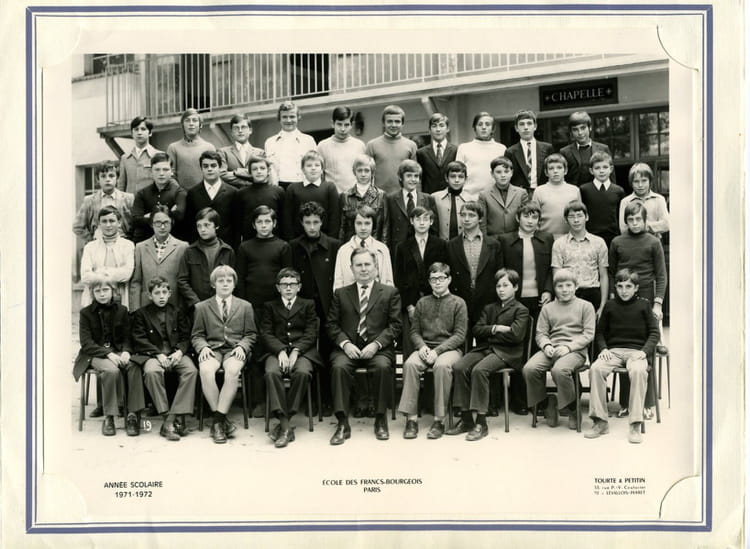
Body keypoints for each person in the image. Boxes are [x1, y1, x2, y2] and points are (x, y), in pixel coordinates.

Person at [326, 247, 402, 445]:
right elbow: (331, 325)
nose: (364, 269)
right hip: (348, 348)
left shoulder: (389, 293)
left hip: (378, 349)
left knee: (382, 367)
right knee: (339, 368)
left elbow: (395, 325)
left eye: (368, 264)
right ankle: (342, 422)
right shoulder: (341, 293)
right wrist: (345, 344)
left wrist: (376, 344)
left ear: (376, 267)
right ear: (351, 268)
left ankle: (380, 419)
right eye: (358, 265)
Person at [447, 269, 530, 439]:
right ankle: (466, 418)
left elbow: (516, 335)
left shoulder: (521, 310)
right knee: (460, 366)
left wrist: (489, 332)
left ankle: (481, 422)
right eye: (498, 286)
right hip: (485, 348)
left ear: (515, 287)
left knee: (480, 370)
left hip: (507, 353)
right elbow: (477, 330)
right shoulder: (489, 308)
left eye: (505, 285)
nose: (501, 289)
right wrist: (496, 328)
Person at [584, 269, 659, 444]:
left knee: (638, 371)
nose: (624, 291)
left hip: (636, 352)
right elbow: (600, 332)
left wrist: (644, 351)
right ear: (616, 287)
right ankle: (600, 421)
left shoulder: (644, 305)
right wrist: (603, 349)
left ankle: (635, 424)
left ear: (636, 288)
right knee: (596, 369)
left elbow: (654, 333)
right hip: (614, 351)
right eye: (620, 286)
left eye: (628, 286)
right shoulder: (610, 306)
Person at [608, 201, 667, 419]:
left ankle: (647, 403)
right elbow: (612, 273)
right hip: (623, 297)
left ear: (644, 220)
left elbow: (661, 275)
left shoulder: (653, 242)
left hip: (646, 297)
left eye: (638, 219)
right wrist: (614, 298)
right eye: (630, 219)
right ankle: (626, 403)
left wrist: (658, 302)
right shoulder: (617, 242)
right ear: (626, 221)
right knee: (626, 345)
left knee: (644, 350)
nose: (634, 223)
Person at [398, 262, 467, 440]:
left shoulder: (459, 303)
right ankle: (411, 420)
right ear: (429, 282)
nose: (437, 282)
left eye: (442, 278)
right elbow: (414, 331)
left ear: (449, 279)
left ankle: (439, 420)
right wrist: (422, 347)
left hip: (449, 349)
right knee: (410, 364)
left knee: (442, 366)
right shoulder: (422, 303)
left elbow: (460, 335)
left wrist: (437, 351)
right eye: (433, 279)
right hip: (426, 347)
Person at [522, 269, 595, 430]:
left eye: (568, 285)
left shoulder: (586, 306)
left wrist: (568, 347)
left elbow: (588, 334)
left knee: (559, 370)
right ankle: (546, 404)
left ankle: (572, 409)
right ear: (554, 288)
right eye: (560, 286)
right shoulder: (548, 308)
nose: (564, 289)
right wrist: (546, 345)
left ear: (576, 286)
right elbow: (541, 333)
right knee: (529, 369)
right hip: (552, 348)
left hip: (575, 351)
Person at [191, 265, 257, 444]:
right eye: (221, 281)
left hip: (234, 350)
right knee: (206, 370)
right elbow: (197, 335)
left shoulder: (245, 306)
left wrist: (243, 347)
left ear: (234, 284)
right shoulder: (202, 307)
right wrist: (203, 347)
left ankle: (217, 421)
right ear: (214, 284)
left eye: (229, 281)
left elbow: (251, 334)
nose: (225, 284)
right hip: (212, 349)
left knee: (233, 370)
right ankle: (220, 420)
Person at [73, 276, 145, 437]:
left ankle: (132, 415)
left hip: (119, 351)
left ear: (113, 291)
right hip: (95, 354)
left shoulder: (122, 310)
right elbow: (87, 343)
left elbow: (128, 337)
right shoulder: (86, 313)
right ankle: (109, 417)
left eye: (105, 290)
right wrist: (108, 354)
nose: (102, 294)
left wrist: (126, 351)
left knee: (134, 366)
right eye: (97, 291)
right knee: (112, 370)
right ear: (92, 293)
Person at [289, 202, 342, 416]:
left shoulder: (334, 245)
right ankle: (308, 398)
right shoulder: (293, 246)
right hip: (303, 307)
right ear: (301, 223)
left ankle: (327, 399)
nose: (312, 227)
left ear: (322, 223)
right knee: (307, 352)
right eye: (308, 222)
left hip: (327, 306)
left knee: (328, 352)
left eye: (316, 222)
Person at [260, 268, 322, 448]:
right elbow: (266, 333)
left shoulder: (308, 304)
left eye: (292, 284)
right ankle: (286, 426)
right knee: (271, 373)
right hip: (275, 352)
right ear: (278, 287)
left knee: (303, 372)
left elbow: (311, 333)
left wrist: (296, 350)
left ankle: (285, 420)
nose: (288, 288)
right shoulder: (270, 306)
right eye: (284, 285)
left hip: (302, 352)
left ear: (299, 287)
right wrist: (280, 350)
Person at [131, 277, 198, 441]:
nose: (161, 296)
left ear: (169, 293)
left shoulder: (177, 312)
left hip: (175, 354)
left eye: (164, 292)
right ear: (149, 295)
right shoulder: (141, 314)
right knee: (152, 372)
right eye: (157, 293)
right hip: (153, 354)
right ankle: (167, 417)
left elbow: (186, 336)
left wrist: (179, 352)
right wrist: (157, 354)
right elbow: (139, 339)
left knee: (191, 371)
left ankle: (171, 419)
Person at [393, 206, 448, 357]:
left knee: (435, 342)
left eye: (425, 219)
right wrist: (409, 305)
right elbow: (399, 279)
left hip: (435, 300)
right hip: (411, 302)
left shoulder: (441, 245)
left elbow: (444, 274)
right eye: (418, 219)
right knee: (411, 344)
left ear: (431, 222)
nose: (422, 223)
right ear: (411, 221)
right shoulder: (402, 247)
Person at [446, 201, 503, 332]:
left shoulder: (494, 244)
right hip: (460, 299)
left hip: (487, 300)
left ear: (480, 218)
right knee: (461, 337)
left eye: (471, 215)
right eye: (463, 215)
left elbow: (499, 275)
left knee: (486, 337)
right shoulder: (451, 245)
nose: (466, 219)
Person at [497, 201, 553, 321]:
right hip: (514, 298)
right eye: (526, 216)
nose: (530, 221)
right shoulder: (505, 240)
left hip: (540, 298)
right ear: (518, 218)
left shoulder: (547, 238)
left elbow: (550, 268)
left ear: (539, 220)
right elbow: (500, 269)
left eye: (534, 217)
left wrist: (548, 291)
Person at [551, 201, 609, 317]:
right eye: (571, 217)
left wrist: (602, 305)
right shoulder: (559, 244)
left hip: (592, 293)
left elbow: (603, 275)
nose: (576, 220)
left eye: (579, 216)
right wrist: (559, 301)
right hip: (568, 294)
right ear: (566, 220)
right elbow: (557, 277)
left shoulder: (599, 242)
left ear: (586, 217)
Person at [177, 207, 236, 313]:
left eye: (206, 225)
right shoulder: (190, 251)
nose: (202, 229)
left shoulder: (227, 251)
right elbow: (182, 280)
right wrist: (196, 303)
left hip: (220, 307)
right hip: (196, 308)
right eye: (199, 226)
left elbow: (233, 280)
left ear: (216, 226)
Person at [130, 206, 189, 310]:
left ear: (172, 223)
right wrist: (135, 310)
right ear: (151, 224)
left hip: (174, 307)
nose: (162, 227)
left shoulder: (183, 247)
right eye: (158, 223)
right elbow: (136, 282)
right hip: (146, 306)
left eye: (166, 223)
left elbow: (184, 281)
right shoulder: (140, 247)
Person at [79, 205, 135, 308]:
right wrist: (113, 274)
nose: (108, 225)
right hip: (94, 298)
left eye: (112, 221)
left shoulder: (128, 245)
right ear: (99, 224)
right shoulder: (90, 247)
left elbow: (127, 273)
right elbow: (85, 276)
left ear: (119, 222)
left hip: (119, 297)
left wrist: (100, 271)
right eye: (104, 221)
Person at [184, 150, 239, 249]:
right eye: (205, 166)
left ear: (220, 167)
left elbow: (236, 226)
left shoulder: (233, 192)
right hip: (200, 248)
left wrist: (233, 249)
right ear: (201, 168)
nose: (209, 169)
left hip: (226, 248)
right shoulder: (192, 193)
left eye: (213, 166)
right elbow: (190, 224)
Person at [283, 150, 340, 240]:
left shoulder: (329, 188)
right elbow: (287, 218)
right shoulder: (292, 188)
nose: (313, 168)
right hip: (298, 240)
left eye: (317, 165)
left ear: (322, 169)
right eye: (309, 165)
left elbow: (334, 217)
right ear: (303, 169)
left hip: (324, 240)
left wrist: (331, 241)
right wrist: (290, 240)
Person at [131, 152, 187, 242]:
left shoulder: (179, 193)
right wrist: (170, 214)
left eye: (165, 169)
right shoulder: (142, 193)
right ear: (151, 172)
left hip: (172, 241)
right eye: (157, 170)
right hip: (146, 240)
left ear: (171, 171)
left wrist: (149, 217)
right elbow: (135, 220)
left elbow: (180, 217)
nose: (161, 173)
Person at [333, 205, 393, 290]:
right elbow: (338, 284)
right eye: (359, 223)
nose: (363, 228)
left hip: (377, 296)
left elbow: (388, 282)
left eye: (367, 223)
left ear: (373, 224)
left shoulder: (382, 249)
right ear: (353, 224)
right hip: (350, 297)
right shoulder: (343, 250)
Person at [73, 161, 134, 242]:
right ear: (98, 179)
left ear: (117, 178)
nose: (107, 179)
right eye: (103, 176)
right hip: (98, 243)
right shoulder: (89, 200)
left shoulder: (128, 198)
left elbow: (136, 225)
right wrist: (92, 240)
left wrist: (129, 240)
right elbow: (77, 226)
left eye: (111, 176)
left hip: (123, 243)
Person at [383, 159, 437, 250]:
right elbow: (387, 228)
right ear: (401, 177)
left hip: (421, 247)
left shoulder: (428, 199)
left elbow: (434, 229)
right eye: (409, 176)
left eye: (416, 176)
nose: (413, 179)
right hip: (398, 248)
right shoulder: (390, 199)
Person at [365, 104, 417, 195]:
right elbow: (366, 175)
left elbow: (415, 175)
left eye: (397, 121)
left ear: (402, 124)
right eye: (389, 121)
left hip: (403, 197)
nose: (393, 125)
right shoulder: (372, 145)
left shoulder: (411, 145)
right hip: (379, 197)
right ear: (383, 123)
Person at [264, 101, 316, 190]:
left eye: (292, 116)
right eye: (284, 117)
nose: (288, 120)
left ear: (298, 117)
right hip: (278, 189)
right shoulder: (270, 142)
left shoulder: (308, 141)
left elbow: (314, 168)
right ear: (279, 118)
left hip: (303, 188)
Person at [234, 155, 286, 241]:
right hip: (249, 241)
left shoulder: (278, 191)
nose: (259, 171)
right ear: (250, 172)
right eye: (255, 169)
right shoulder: (242, 193)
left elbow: (283, 220)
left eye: (262, 168)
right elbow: (238, 222)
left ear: (268, 171)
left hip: (273, 241)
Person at [579, 151, 625, 247]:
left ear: (611, 169)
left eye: (605, 167)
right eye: (597, 168)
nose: (601, 171)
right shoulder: (584, 190)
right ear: (591, 171)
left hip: (613, 238)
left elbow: (620, 217)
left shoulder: (618, 191)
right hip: (590, 239)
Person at [316, 106, 366, 193]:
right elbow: (319, 175)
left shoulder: (360, 145)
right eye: (339, 124)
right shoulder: (322, 146)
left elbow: (365, 173)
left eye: (346, 125)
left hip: (355, 196)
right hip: (333, 196)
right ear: (332, 123)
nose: (343, 129)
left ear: (352, 125)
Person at [503, 110, 554, 193]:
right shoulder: (510, 152)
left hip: (543, 192)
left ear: (535, 126)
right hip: (520, 194)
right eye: (522, 124)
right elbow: (508, 176)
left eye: (529, 123)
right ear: (516, 128)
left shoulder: (547, 148)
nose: (526, 127)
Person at [531, 154, 582, 238]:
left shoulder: (574, 190)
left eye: (559, 168)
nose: (555, 171)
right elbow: (534, 217)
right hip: (546, 238)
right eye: (551, 168)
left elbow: (580, 216)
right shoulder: (539, 191)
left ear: (565, 171)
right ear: (546, 172)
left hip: (569, 238)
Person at [456, 111, 506, 195]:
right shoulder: (463, 148)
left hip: (495, 197)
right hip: (469, 197)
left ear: (493, 128)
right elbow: (458, 175)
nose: (483, 127)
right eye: (480, 124)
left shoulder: (501, 149)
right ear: (474, 128)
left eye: (487, 124)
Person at [338, 154, 386, 242]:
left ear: (372, 173)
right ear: (354, 172)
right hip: (351, 244)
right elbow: (342, 228)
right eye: (359, 170)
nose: (363, 174)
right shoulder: (345, 196)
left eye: (367, 171)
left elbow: (385, 227)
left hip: (374, 244)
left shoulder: (381, 195)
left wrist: (382, 247)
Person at [559, 111, 614, 187]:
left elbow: (611, 176)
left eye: (583, 128)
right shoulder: (565, 152)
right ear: (571, 132)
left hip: (598, 191)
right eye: (575, 129)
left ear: (590, 127)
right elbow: (562, 178)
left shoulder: (603, 149)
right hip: (575, 192)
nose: (580, 133)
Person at [478, 156, 528, 237]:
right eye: (498, 172)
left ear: (511, 173)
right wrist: (486, 240)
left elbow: (525, 219)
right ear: (492, 174)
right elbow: (482, 223)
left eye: (506, 171)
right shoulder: (484, 195)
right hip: (493, 239)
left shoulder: (521, 193)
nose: (503, 175)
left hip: (516, 238)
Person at [167, 108, 216, 190]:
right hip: (182, 194)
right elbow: (170, 175)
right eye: (187, 120)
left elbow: (213, 174)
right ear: (182, 125)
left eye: (195, 120)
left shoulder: (209, 147)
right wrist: (180, 192)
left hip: (204, 194)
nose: (191, 123)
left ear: (200, 125)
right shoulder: (173, 148)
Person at [618, 162, 670, 238]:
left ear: (650, 181)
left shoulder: (659, 199)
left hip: (654, 242)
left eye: (644, 180)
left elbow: (666, 224)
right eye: (636, 181)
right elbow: (623, 229)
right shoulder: (626, 202)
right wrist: (654, 228)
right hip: (633, 242)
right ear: (631, 183)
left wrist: (643, 226)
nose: (640, 185)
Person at [431, 161, 477, 240]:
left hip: (463, 244)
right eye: (453, 176)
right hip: (441, 244)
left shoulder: (472, 200)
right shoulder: (435, 198)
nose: (456, 180)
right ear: (446, 178)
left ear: (466, 179)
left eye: (461, 177)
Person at [117, 116, 165, 194]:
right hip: (130, 201)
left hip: (151, 201)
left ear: (150, 133)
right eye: (136, 129)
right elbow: (121, 186)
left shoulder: (159, 156)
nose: (139, 133)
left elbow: (164, 184)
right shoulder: (125, 158)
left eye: (143, 129)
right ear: (132, 133)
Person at [219, 114, 266, 188]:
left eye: (243, 127)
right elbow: (222, 175)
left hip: (256, 192)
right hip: (233, 194)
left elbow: (262, 174)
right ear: (232, 132)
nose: (240, 131)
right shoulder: (223, 152)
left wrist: (237, 172)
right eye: (236, 128)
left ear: (250, 130)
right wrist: (248, 181)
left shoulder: (260, 153)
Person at [416, 113, 457, 194]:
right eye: (434, 126)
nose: (438, 129)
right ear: (429, 130)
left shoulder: (456, 150)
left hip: (451, 195)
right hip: (429, 197)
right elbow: (420, 179)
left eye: (441, 125)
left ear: (448, 129)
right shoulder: (421, 153)